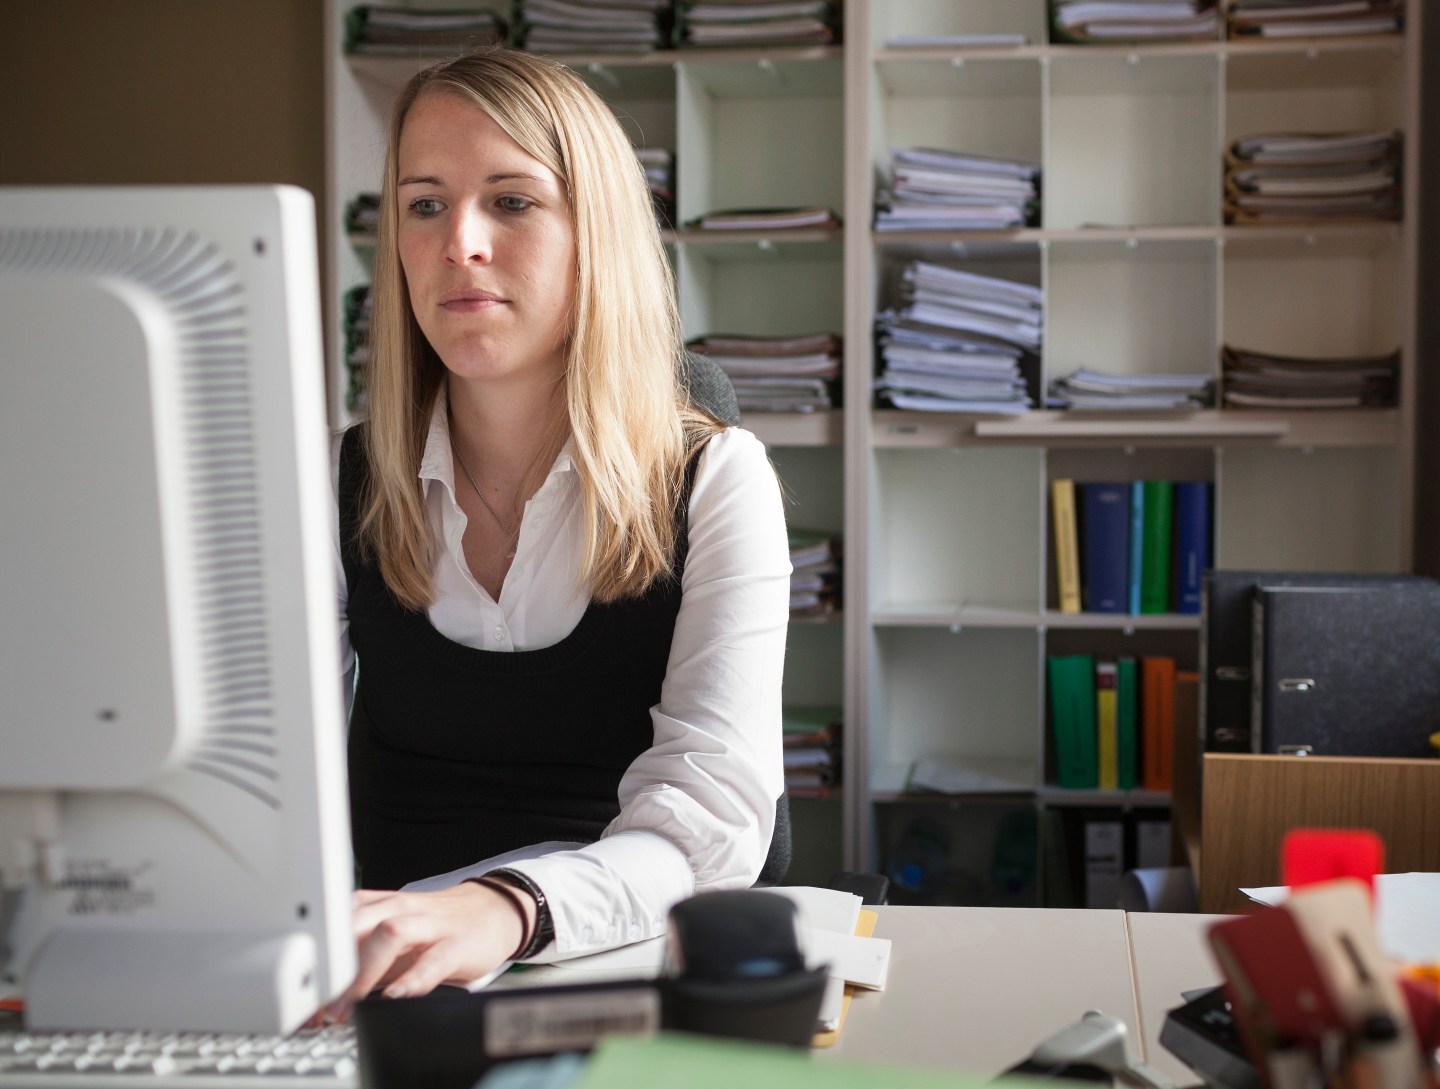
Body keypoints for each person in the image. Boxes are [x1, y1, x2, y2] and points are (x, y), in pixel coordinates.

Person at [328, 47, 791, 1014]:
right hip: (395, 976)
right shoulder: (341, 482)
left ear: (596, 235)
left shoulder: (717, 478)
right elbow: (262, 779)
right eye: (424, 204)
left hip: (628, 965)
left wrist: (503, 907)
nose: (459, 242)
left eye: (512, 201)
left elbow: (710, 822)